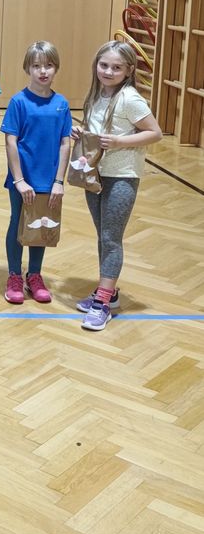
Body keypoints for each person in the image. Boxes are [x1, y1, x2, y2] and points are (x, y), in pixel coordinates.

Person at [73, 41, 161, 331]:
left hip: (122, 175)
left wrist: (122, 141)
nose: (108, 71)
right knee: (103, 236)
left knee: (111, 238)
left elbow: (155, 133)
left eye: (116, 67)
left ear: (128, 70)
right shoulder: (96, 96)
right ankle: (108, 292)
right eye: (104, 65)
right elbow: (96, 132)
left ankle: (103, 303)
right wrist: (80, 132)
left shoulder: (131, 99)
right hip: (96, 174)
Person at [1, 42, 72, 305]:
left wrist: (58, 181)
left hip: (49, 180)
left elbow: (65, 143)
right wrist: (19, 180)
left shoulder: (61, 104)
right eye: (37, 66)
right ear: (28, 68)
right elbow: (11, 142)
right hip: (23, 179)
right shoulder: (19, 102)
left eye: (49, 65)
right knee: (18, 221)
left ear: (56, 68)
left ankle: (35, 274)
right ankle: (13, 275)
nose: (43, 71)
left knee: (41, 223)